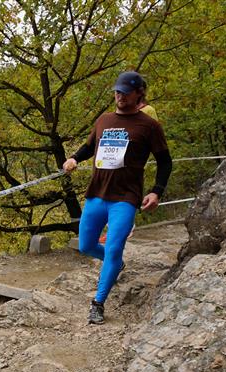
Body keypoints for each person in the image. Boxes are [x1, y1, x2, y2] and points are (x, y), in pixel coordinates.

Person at [63, 71, 172, 324]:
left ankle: (98, 303)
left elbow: (165, 161)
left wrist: (156, 191)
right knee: (86, 246)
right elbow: (89, 147)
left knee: (113, 248)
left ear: (139, 94)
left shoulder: (149, 126)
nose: (119, 96)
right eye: (117, 91)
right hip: (96, 194)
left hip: (125, 198)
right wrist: (74, 158)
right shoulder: (104, 120)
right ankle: (115, 265)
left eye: (125, 92)